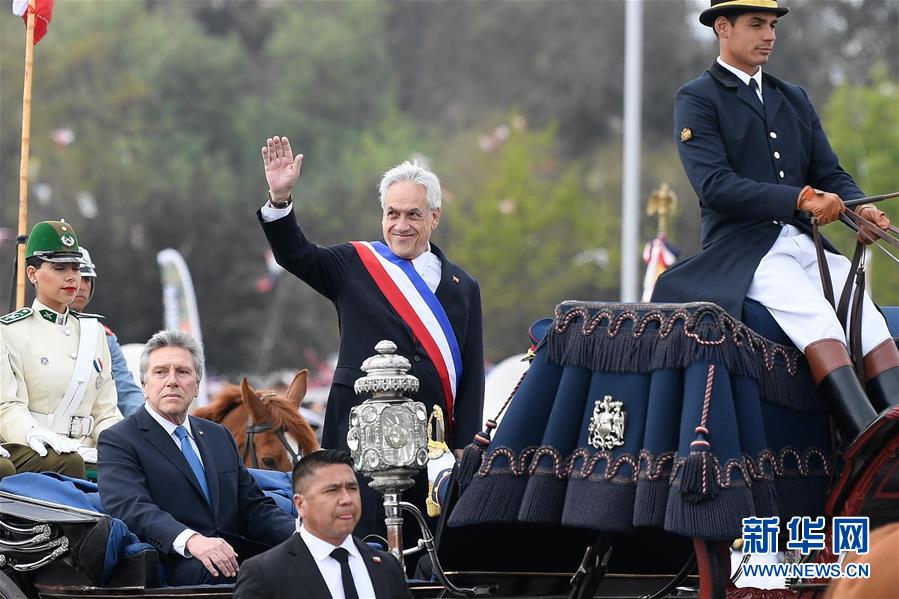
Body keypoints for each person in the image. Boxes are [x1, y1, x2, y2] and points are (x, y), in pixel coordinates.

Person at [652, 0, 898, 442]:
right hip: (745, 248)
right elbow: (715, 185)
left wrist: (860, 209)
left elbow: (829, 174)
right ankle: (866, 443)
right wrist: (799, 198)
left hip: (806, 241)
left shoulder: (793, 98)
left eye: (772, 26)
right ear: (723, 27)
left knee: (868, 322)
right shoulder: (698, 97)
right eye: (757, 25)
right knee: (818, 321)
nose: (770, 35)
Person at [257, 136, 484, 539]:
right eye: (392, 213)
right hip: (360, 445)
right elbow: (296, 254)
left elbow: (471, 375)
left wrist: (464, 446)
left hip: (431, 452)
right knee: (361, 546)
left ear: (434, 217)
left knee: (426, 550)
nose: (401, 225)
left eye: (413, 215)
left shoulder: (463, 286)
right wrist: (280, 199)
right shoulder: (355, 264)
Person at [97, 330, 295, 586]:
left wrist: (307, 533)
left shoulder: (218, 435)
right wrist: (192, 540)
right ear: (144, 385)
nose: (172, 381)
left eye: (182, 372)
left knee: (304, 564)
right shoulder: (119, 439)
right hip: (173, 561)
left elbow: (253, 507)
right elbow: (133, 508)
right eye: (160, 372)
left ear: (197, 385)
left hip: (232, 554)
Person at [1, 220, 121, 479]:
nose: (71, 277)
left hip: (90, 452)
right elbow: (7, 406)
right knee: (70, 464)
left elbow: (106, 412)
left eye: (75, 268)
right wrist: (32, 433)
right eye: (59, 268)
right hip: (38, 451)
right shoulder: (10, 331)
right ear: (32, 274)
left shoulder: (93, 332)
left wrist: (116, 447)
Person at [234, 449, 411, 599]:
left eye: (352, 488)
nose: (346, 499)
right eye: (332, 490)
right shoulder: (265, 574)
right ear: (300, 504)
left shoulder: (386, 566)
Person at [70, 246, 144, 417]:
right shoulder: (26, 330)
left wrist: (146, 424)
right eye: (77, 277)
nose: (82, 286)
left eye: (87, 279)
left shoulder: (103, 336)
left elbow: (126, 390)